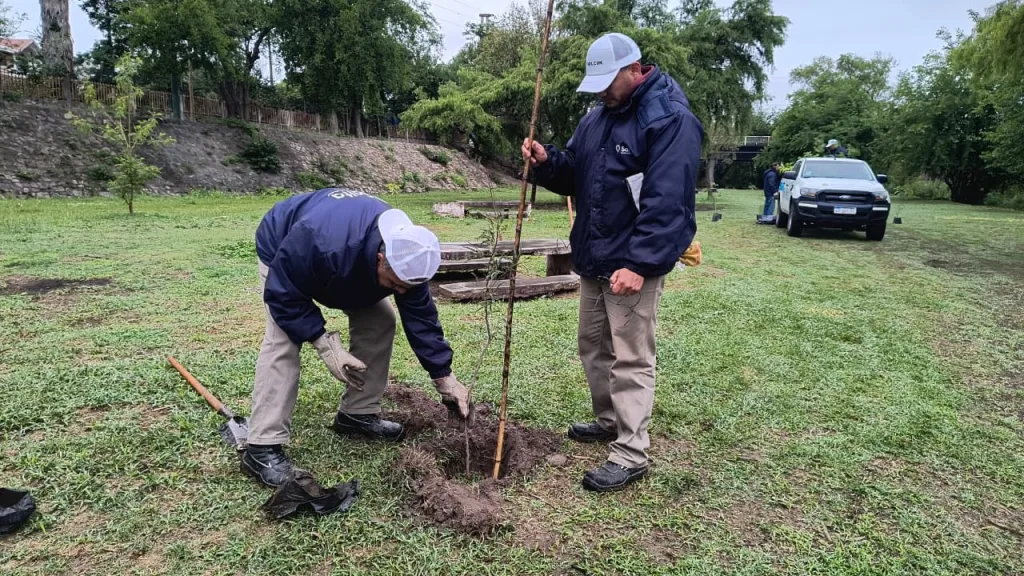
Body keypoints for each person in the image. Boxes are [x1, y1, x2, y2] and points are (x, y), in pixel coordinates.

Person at [521, 32, 704, 492]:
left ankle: (631, 452)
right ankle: (609, 421)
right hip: (595, 256)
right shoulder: (597, 118)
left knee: (630, 357)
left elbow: (668, 204)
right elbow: (575, 175)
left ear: (634, 69)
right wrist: (548, 161)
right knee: (593, 346)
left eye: (607, 80)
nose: (601, 90)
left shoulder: (669, 120)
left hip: (631, 263)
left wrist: (640, 263)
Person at [242, 187, 472, 487]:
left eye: (406, 287)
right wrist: (327, 346)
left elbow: (421, 319)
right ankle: (261, 446)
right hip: (285, 252)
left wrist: (445, 377)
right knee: (283, 338)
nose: (400, 292)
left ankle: (357, 414)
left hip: (349, 261)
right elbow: (283, 295)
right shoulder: (321, 241)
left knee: (381, 318)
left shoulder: (407, 253)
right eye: (394, 285)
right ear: (380, 258)